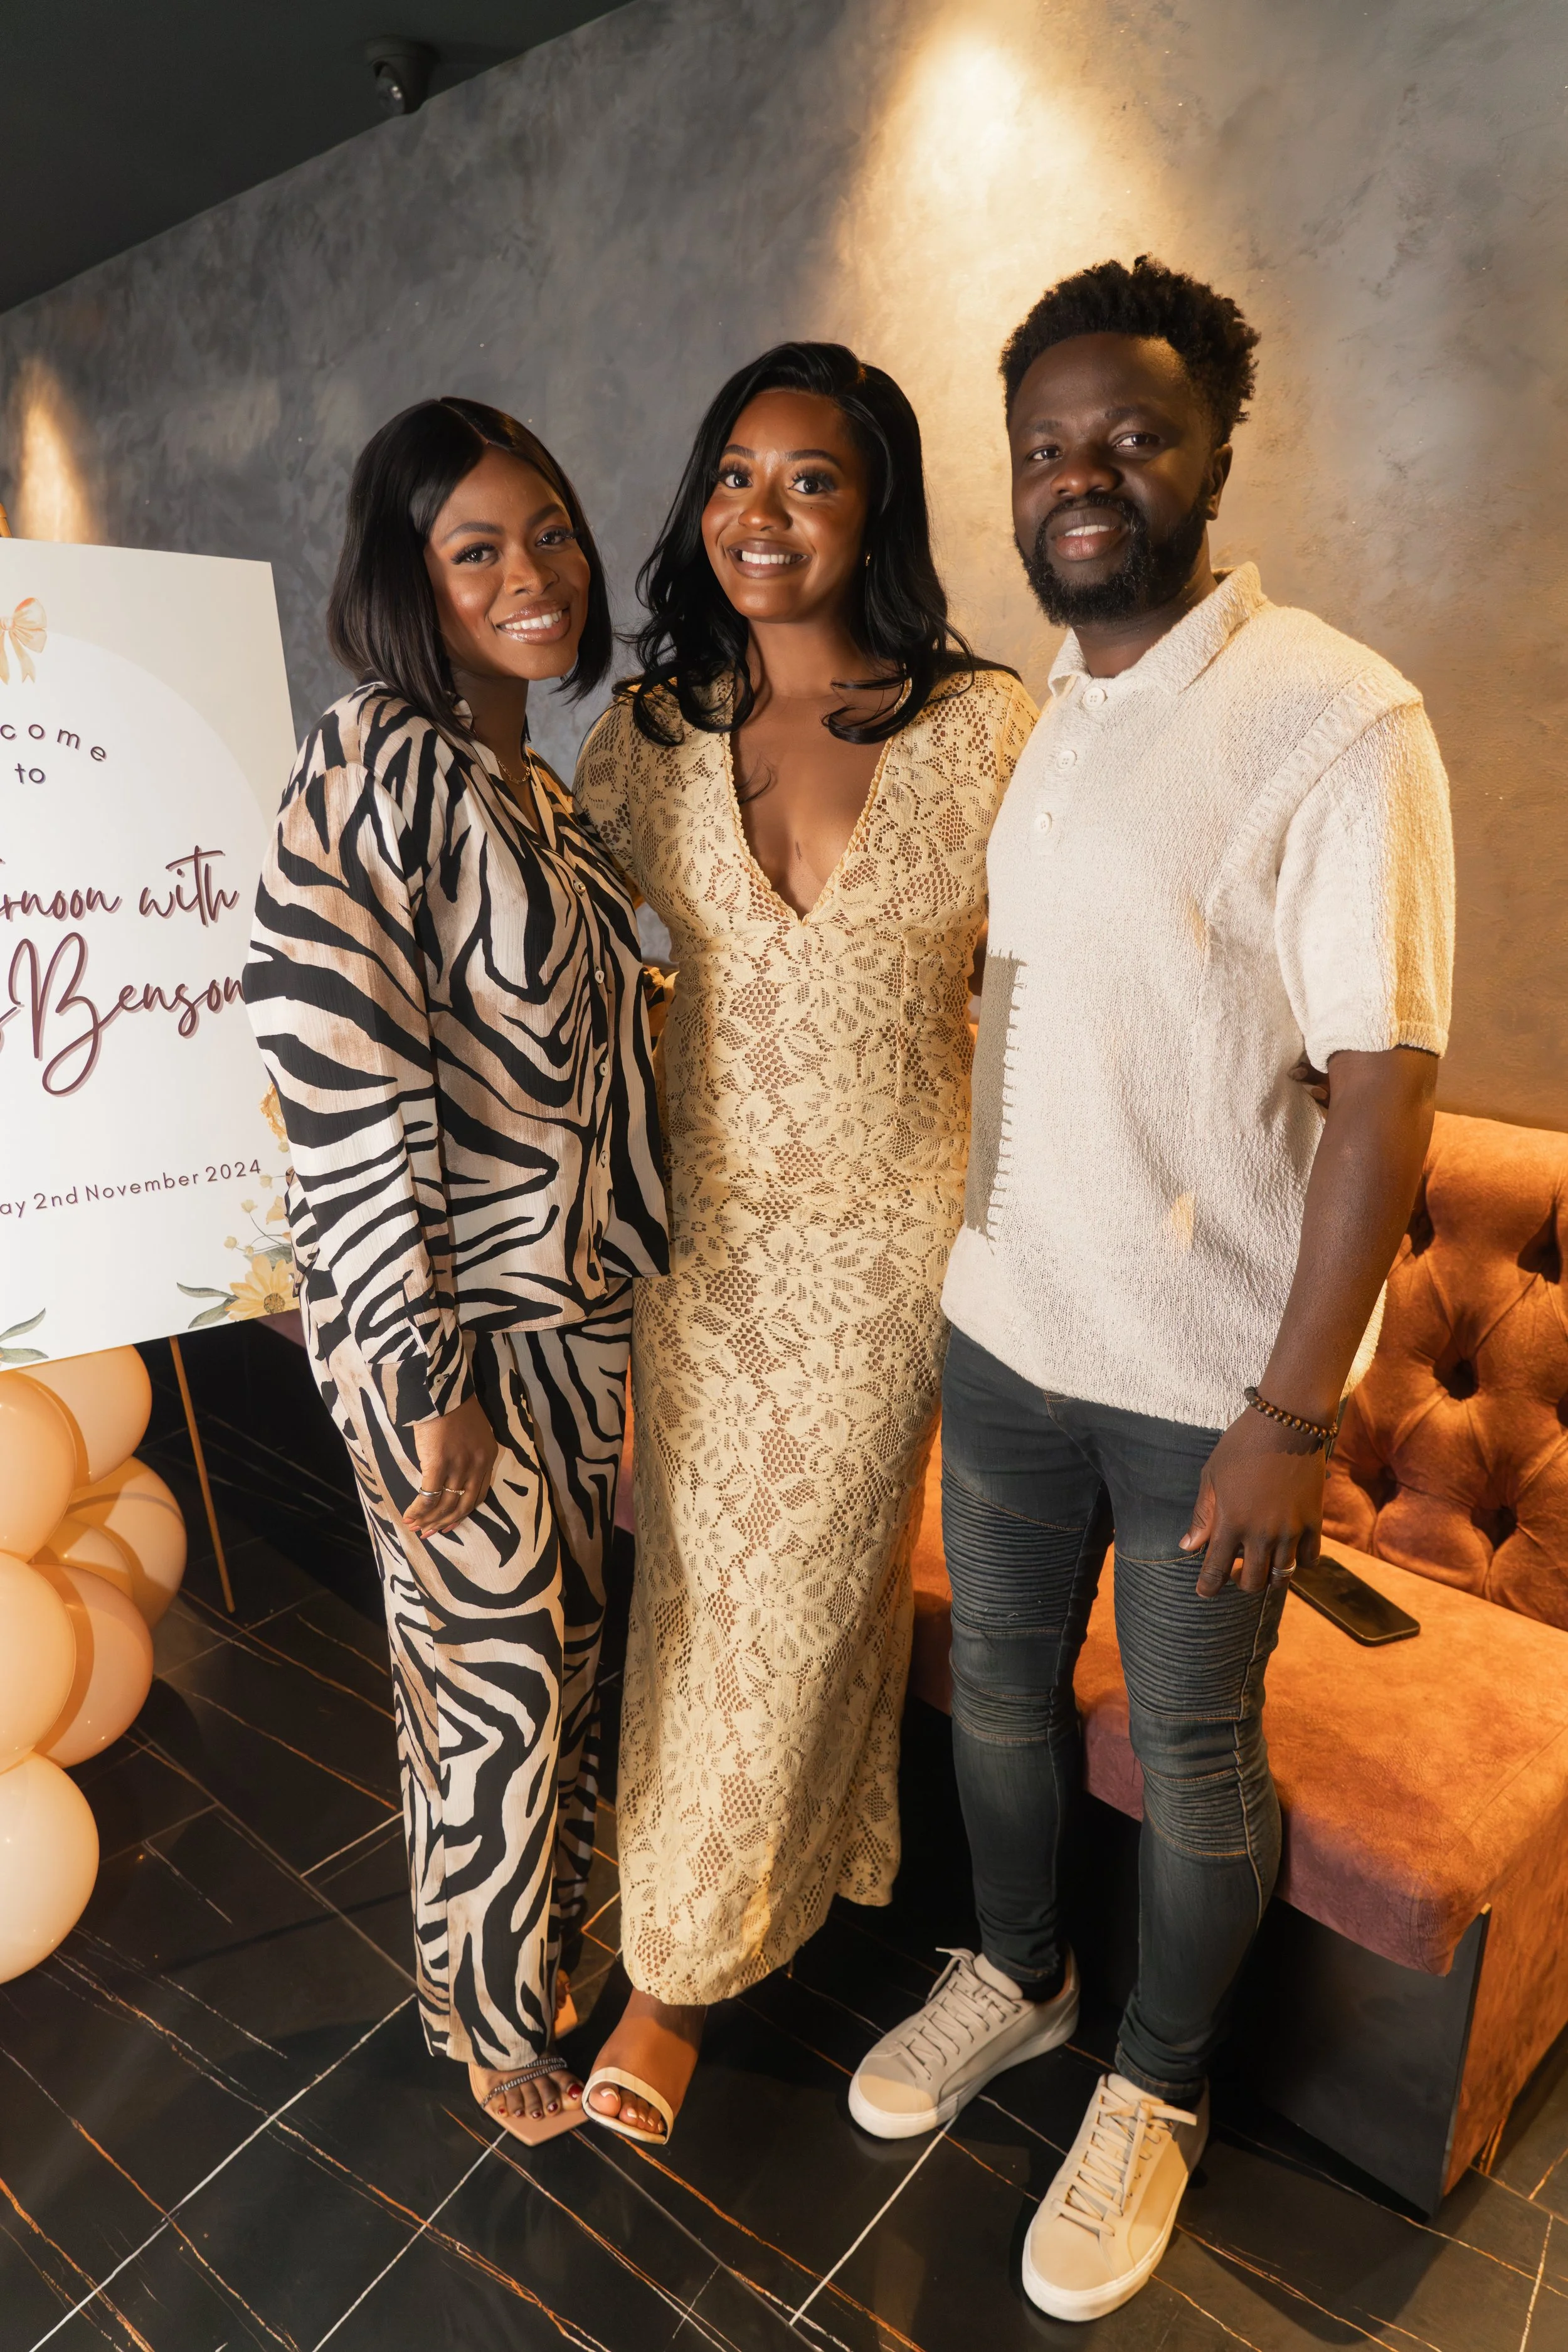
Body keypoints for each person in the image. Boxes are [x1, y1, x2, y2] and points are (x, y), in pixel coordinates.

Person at [848, 259, 1454, 2322]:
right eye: (1045, 446)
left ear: (1213, 454)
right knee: (1001, 1694)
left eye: (1130, 437)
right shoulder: (1051, 720)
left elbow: (1383, 1089)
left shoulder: (1334, 713)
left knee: (1192, 1750)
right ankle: (1016, 1973)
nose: (1080, 475)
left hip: (1207, 1386)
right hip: (1008, 1330)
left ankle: (1156, 2083)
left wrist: (1295, 1414)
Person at [571, 341, 1036, 2144]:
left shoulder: (980, 728)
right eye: (734, 476)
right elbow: (551, 957)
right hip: (695, 1252)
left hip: (886, 1259)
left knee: (792, 1600)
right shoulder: (649, 736)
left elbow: (1064, 988)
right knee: (700, 1597)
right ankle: (721, 1885)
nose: (762, 514)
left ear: (876, 509)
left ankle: (674, 1982)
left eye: (812, 479)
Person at [243, 398, 668, 2146]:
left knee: (564, 1655)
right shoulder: (372, 763)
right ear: (403, 577)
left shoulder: (536, 793)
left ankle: (541, 1944)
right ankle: (483, 2013)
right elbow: (340, 1086)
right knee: (489, 1683)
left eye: (550, 531)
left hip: (570, 1319)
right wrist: (420, 1379)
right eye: (475, 546)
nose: (531, 572)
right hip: (439, 1337)